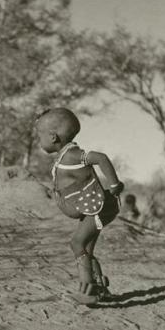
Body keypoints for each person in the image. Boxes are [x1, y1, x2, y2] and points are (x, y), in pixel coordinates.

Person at [35, 108, 124, 304]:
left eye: (39, 136)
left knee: (77, 243)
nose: (38, 141)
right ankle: (100, 289)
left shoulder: (73, 155)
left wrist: (115, 184)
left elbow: (100, 157)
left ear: (53, 136)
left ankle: (88, 291)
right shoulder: (65, 156)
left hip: (97, 207)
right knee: (87, 248)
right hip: (90, 209)